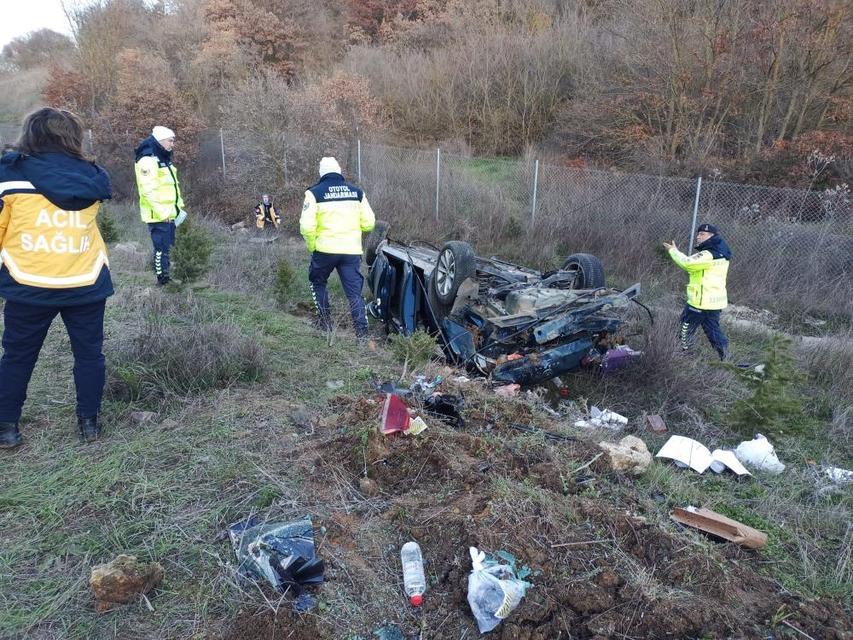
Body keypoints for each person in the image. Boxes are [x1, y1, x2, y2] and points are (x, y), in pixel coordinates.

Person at [0, 107, 113, 448]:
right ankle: (89, 426)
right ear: (73, 136)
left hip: (27, 282)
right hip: (85, 278)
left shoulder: (9, 175)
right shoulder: (93, 176)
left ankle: (7, 428)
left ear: (30, 133)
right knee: (90, 355)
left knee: (18, 356)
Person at [300, 156, 375, 337]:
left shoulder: (314, 193)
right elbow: (369, 223)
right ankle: (362, 335)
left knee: (318, 283)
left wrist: (312, 246)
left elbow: (306, 227)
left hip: (324, 250)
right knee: (354, 294)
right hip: (351, 252)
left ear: (321, 173)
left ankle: (325, 324)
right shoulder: (357, 193)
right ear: (339, 171)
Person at [663, 223, 731, 360]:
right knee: (714, 331)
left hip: (700, 301)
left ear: (712, 236)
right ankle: (726, 357)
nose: (698, 237)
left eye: (702, 234)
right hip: (714, 302)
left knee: (685, 328)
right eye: (698, 233)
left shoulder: (708, 254)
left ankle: (684, 355)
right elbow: (692, 261)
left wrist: (673, 251)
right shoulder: (721, 251)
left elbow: (688, 263)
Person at [134, 126, 187, 285]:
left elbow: (171, 187)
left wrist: (177, 210)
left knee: (169, 249)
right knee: (161, 250)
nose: (173, 144)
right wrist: (162, 213)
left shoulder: (163, 159)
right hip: (159, 216)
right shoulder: (147, 160)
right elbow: (147, 191)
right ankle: (162, 280)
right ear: (160, 140)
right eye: (170, 140)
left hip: (170, 215)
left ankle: (168, 276)